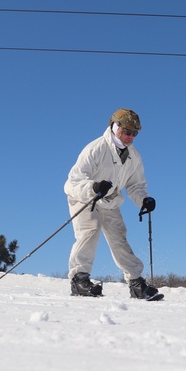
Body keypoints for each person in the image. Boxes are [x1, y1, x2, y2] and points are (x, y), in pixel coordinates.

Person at [64, 108, 158, 299]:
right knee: (90, 230)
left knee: (119, 237)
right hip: (84, 197)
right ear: (115, 127)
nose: (131, 136)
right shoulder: (96, 149)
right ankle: (79, 280)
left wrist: (144, 199)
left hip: (110, 200)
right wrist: (94, 187)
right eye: (127, 132)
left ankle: (136, 283)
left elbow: (136, 185)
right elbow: (73, 181)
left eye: (134, 133)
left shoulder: (134, 156)